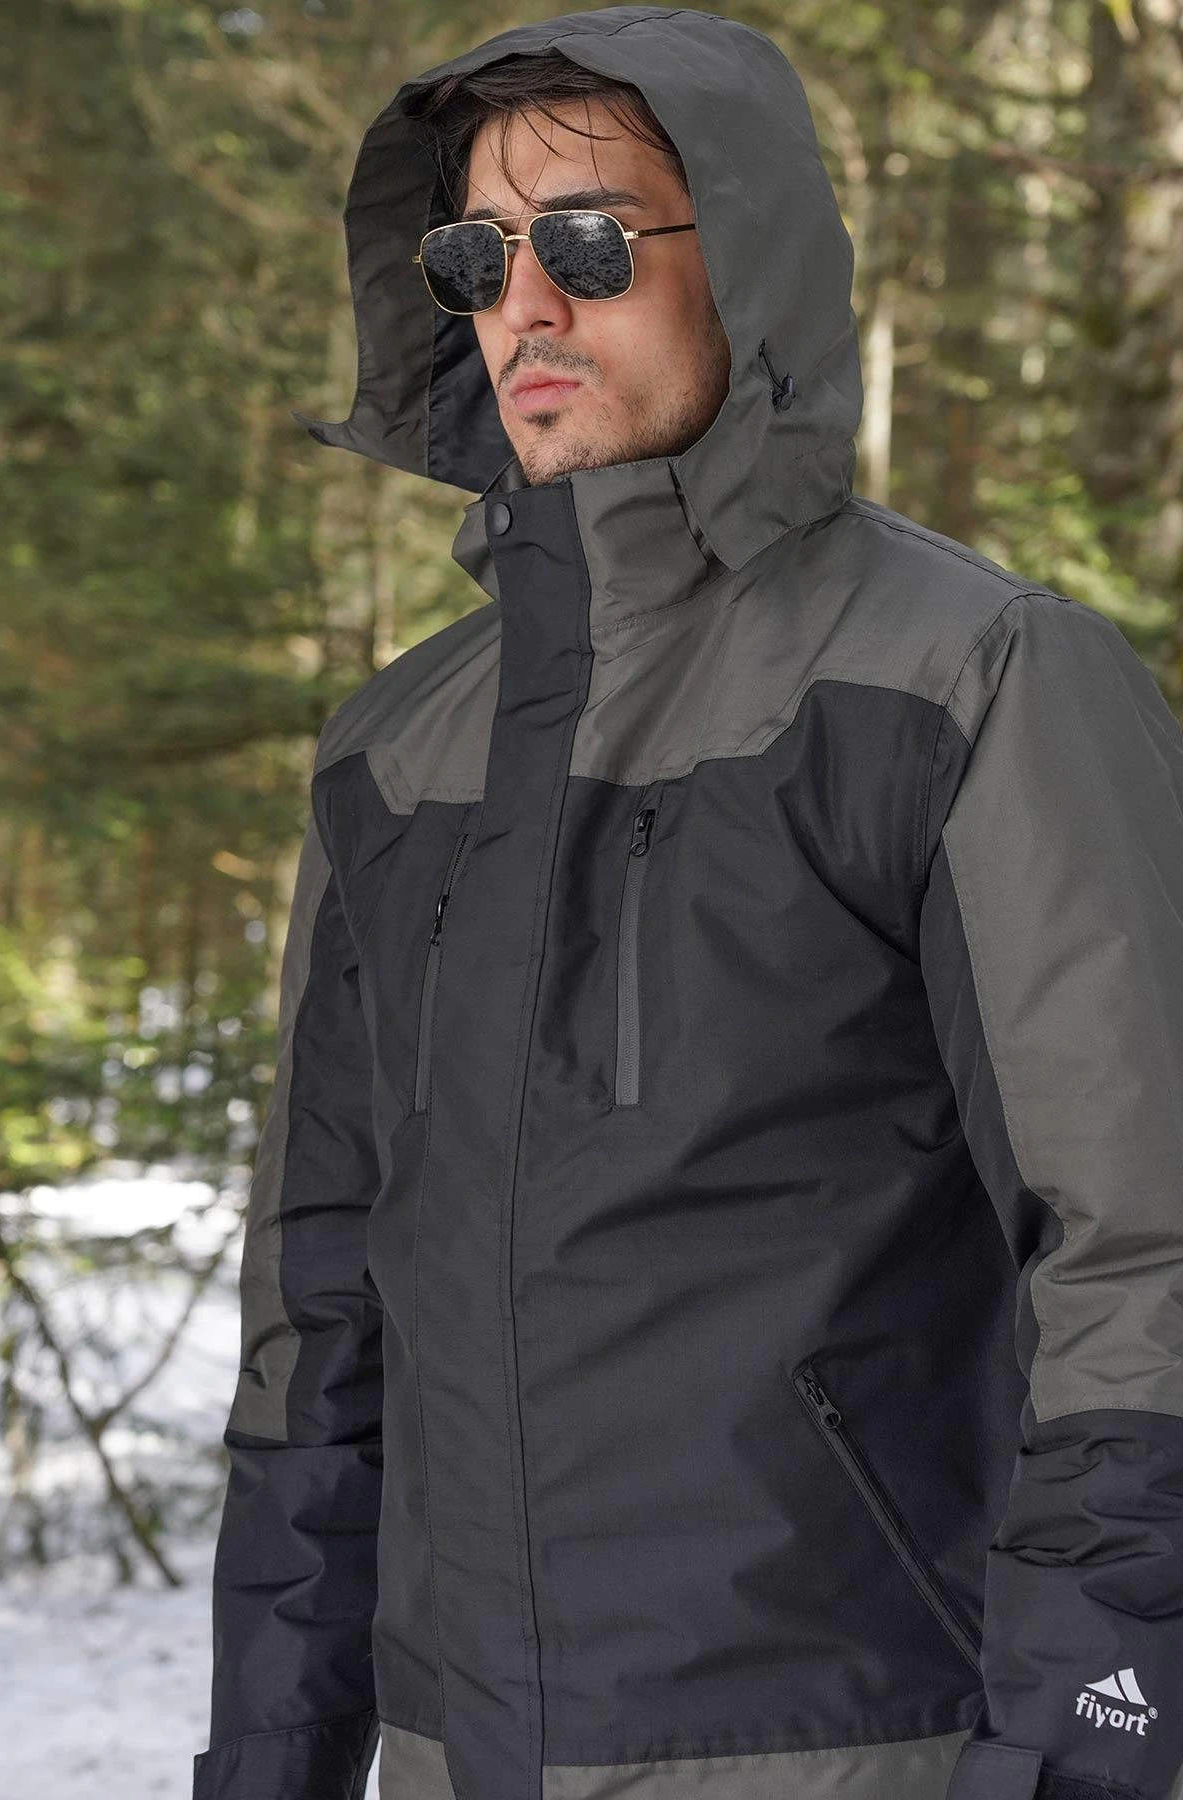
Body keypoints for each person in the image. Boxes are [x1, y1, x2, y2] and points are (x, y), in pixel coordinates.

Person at [192, 11, 1183, 1800]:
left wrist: (1087, 1754)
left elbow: (1140, 1258)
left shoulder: (973, 686)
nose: (523, 306)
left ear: (753, 256)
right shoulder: (395, 756)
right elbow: (318, 1324)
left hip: (857, 1748)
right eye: (474, 257)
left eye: (587, 243)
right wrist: (272, 1760)